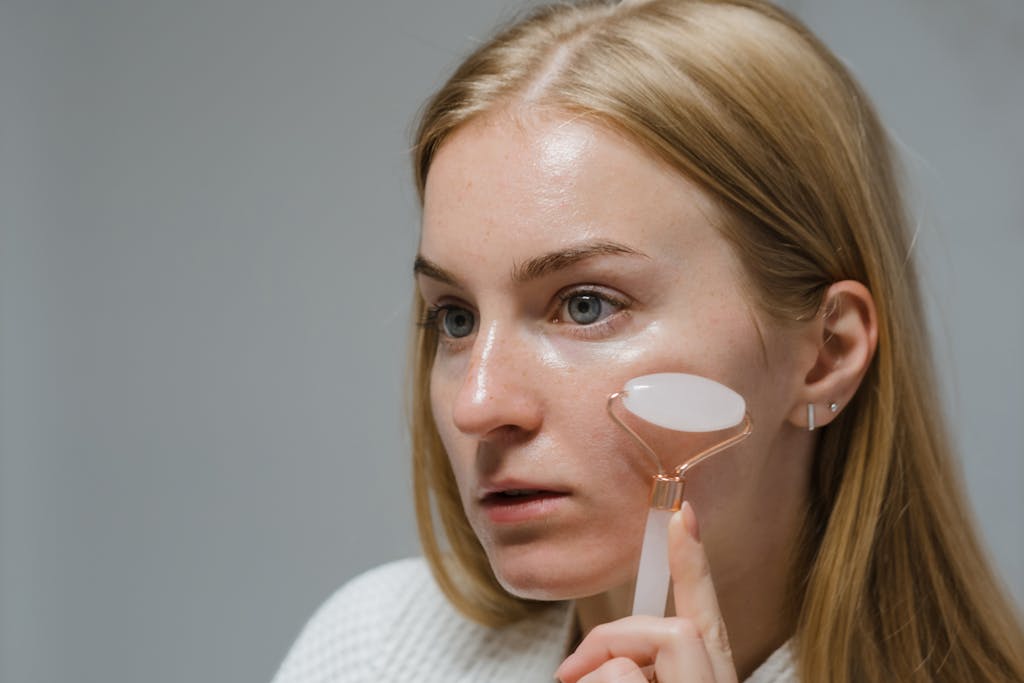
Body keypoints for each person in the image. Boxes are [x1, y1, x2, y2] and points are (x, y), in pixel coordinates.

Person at [272, 1, 1024, 681]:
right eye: (456, 318)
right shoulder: (377, 651)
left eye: (586, 303)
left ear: (825, 354)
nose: (478, 404)